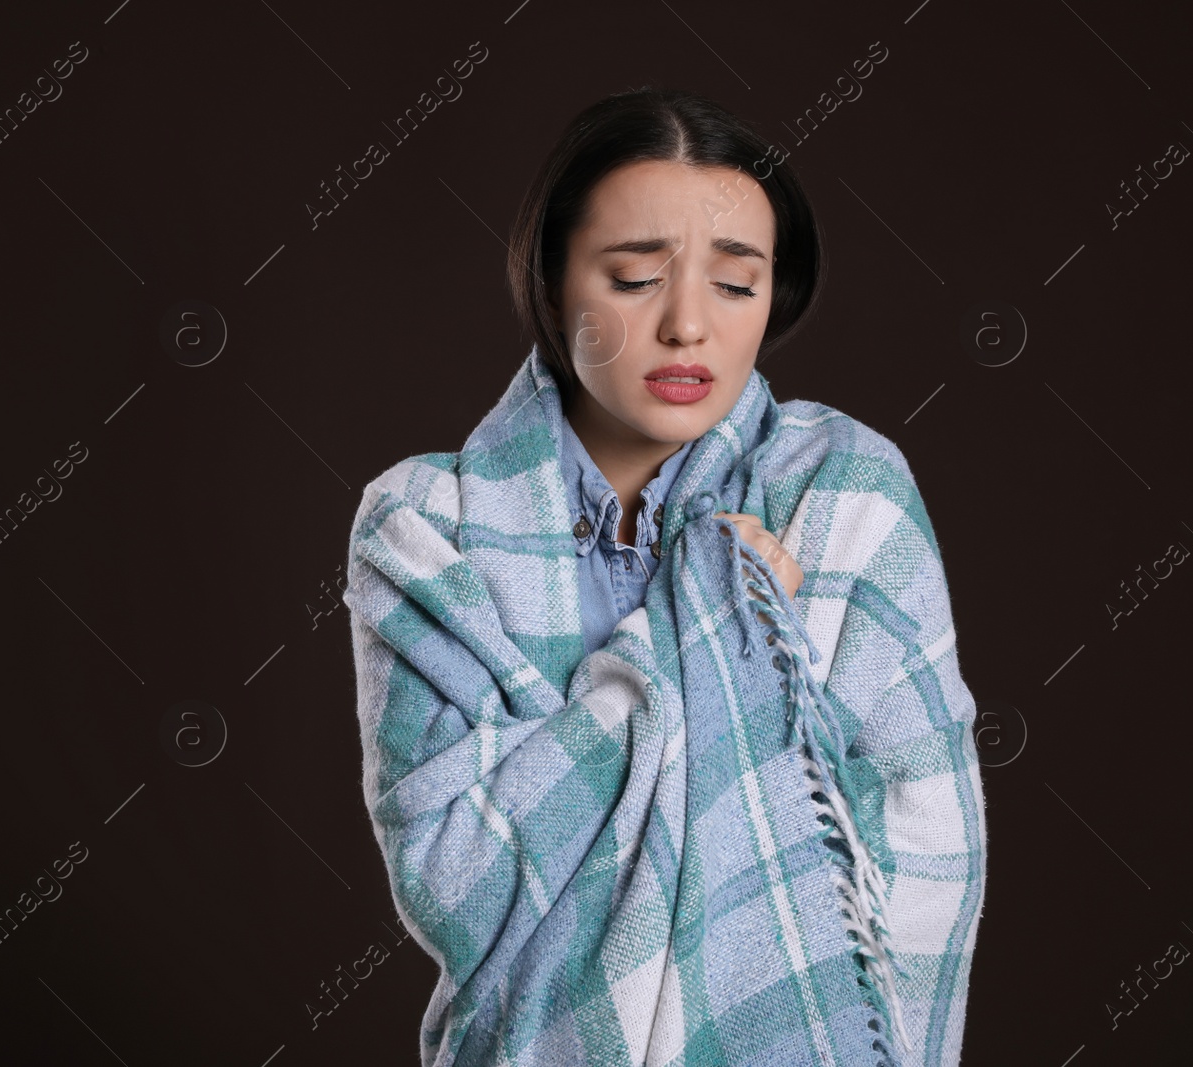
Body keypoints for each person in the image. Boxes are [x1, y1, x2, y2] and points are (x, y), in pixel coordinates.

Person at [343, 87, 987, 1067]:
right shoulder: (426, 527)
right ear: (555, 282)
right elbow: (459, 877)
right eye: (637, 276)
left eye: (736, 284)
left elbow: (928, 844)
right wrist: (705, 618)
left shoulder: (847, 492)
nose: (689, 324)